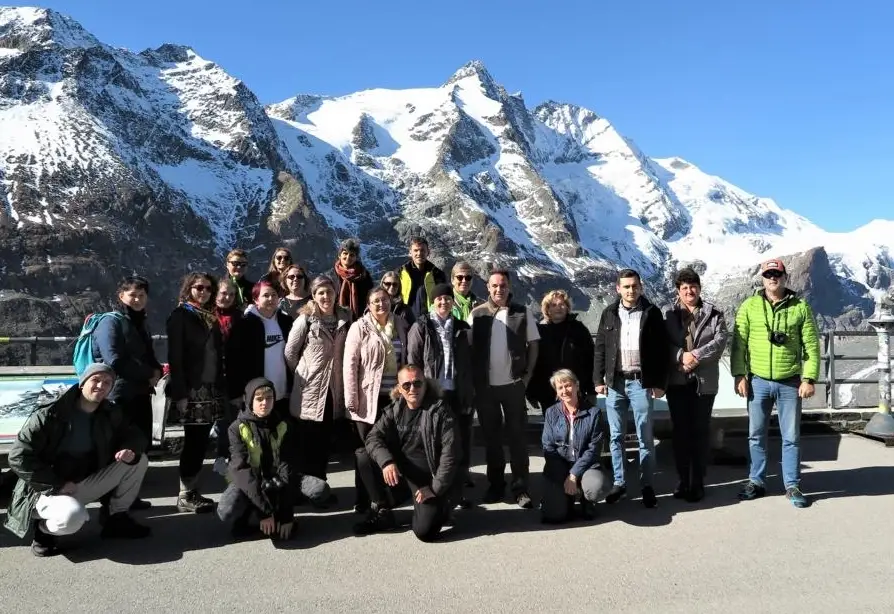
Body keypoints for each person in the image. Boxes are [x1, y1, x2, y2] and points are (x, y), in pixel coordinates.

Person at [4, 364, 150, 557]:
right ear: (82, 384)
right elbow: (18, 456)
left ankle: (117, 519)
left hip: (81, 482)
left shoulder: (110, 412)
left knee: (138, 460)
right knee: (72, 517)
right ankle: (43, 531)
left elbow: (135, 435)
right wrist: (57, 484)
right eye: (95, 380)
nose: (101, 385)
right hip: (44, 488)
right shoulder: (50, 413)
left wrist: (129, 448)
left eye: (107, 382)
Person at [731, 258, 820, 509]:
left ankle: (792, 485)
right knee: (755, 435)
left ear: (785, 278)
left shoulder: (801, 307)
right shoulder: (749, 306)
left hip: (790, 382)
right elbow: (738, 344)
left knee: (791, 437)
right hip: (757, 381)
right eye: (768, 274)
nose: (773, 278)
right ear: (762, 278)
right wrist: (740, 375)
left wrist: (809, 378)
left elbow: (812, 347)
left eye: (777, 274)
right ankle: (756, 482)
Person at [353, 366, 459, 541]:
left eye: (418, 383)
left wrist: (435, 488)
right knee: (363, 455)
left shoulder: (440, 411)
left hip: (428, 479)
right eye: (407, 385)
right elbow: (373, 437)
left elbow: (451, 455)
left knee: (425, 533)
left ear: (425, 385)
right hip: (401, 474)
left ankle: (443, 506)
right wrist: (386, 462)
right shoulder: (395, 409)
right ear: (399, 388)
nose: (412, 389)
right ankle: (383, 512)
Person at [217, 378, 330, 540]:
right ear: (250, 400)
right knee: (226, 510)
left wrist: (286, 515)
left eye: (269, 398)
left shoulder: (284, 425)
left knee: (319, 489)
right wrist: (264, 512)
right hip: (252, 481)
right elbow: (242, 472)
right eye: (259, 399)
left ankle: (278, 514)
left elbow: (288, 468)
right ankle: (250, 519)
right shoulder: (236, 428)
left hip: (278, 479)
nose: (264, 403)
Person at [594, 268, 669, 509]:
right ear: (618, 289)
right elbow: (601, 348)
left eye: (634, 286)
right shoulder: (608, 313)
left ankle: (647, 485)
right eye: (626, 286)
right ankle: (620, 483)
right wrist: (598, 379)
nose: (630, 290)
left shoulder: (652, 313)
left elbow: (662, 351)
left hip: (641, 383)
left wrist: (659, 383)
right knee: (616, 436)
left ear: (641, 287)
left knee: (645, 435)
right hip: (615, 382)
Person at [468, 269, 540, 508]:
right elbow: (467, 349)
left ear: (510, 287)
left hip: (513, 386)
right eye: (494, 286)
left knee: (517, 439)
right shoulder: (476, 314)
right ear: (488, 287)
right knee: (492, 439)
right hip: (486, 388)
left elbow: (534, 345)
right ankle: (496, 485)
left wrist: (526, 378)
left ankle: (521, 488)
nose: (499, 289)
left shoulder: (522, 312)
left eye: (503, 285)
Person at [91, 274, 162, 510]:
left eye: (142, 295)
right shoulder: (110, 322)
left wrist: (157, 370)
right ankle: (111, 501)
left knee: (137, 445)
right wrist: (148, 374)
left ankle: (127, 496)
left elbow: (146, 354)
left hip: (140, 394)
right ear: (121, 296)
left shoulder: (139, 322)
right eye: (133, 295)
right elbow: (114, 359)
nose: (137, 299)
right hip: (118, 397)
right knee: (118, 448)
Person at [662, 268, 728, 502]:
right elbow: (661, 342)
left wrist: (695, 356)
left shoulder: (713, 313)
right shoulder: (667, 313)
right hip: (677, 382)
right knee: (680, 433)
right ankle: (683, 480)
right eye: (684, 288)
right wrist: (680, 355)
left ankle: (698, 482)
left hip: (704, 383)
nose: (689, 291)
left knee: (700, 432)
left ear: (699, 288)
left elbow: (720, 341)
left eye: (693, 287)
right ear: (678, 290)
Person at [407, 283, 474, 508]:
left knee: (459, 443)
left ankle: (457, 490)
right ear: (432, 302)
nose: (443, 302)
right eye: (439, 299)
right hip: (433, 394)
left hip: (457, 392)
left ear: (452, 301)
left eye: (447, 298)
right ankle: (435, 490)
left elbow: (468, 364)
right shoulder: (421, 326)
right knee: (435, 444)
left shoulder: (461, 327)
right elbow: (413, 362)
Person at [165, 272, 228, 513]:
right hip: (193, 389)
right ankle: (185, 494)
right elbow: (175, 357)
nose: (204, 292)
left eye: (208, 289)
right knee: (193, 441)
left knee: (201, 441)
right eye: (198, 288)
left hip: (210, 387)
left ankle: (192, 491)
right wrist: (180, 393)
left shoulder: (209, 317)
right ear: (188, 289)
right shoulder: (180, 316)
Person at [344, 287, 410, 512]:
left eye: (384, 300)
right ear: (368, 305)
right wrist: (351, 398)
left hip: (394, 398)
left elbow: (407, 359)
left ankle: (385, 496)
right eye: (375, 301)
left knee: (388, 447)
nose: (381, 304)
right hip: (367, 399)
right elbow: (350, 365)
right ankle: (363, 499)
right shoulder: (359, 327)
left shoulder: (400, 324)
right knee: (365, 450)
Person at [285, 276, 352, 481]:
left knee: (325, 443)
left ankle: (319, 486)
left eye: (329, 292)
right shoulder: (304, 320)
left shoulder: (346, 319)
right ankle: (311, 489)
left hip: (335, 390)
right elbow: (290, 352)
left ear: (335, 294)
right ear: (313, 296)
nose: (325, 296)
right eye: (320, 292)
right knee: (310, 443)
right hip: (311, 391)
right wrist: (304, 374)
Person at [541, 369, 607, 524]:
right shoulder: (551, 413)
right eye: (560, 387)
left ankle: (587, 500)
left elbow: (594, 449)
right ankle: (566, 499)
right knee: (554, 516)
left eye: (568, 385)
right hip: (559, 465)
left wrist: (573, 475)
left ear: (577, 386)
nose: (565, 390)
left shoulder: (594, 413)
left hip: (586, 466)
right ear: (556, 391)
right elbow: (548, 446)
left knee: (597, 487)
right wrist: (565, 474)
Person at [227, 281, 293, 414]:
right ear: (256, 299)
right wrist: (235, 392)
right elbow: (233, 360)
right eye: (266, 295)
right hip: (256, 395)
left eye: (274, 295)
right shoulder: (244, 324)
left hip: (283, 392)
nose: (271, 299)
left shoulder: (286, 322)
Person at [527, 290, 595, 414]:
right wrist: (531, 392)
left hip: (574, 390)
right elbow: (533, 362)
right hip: (547, 392)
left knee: (576, 427)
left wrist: (591, 389)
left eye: (562, 304)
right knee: (554, 429)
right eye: (553, 305)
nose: (558, 307)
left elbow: (590, 358)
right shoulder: (539, 331)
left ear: (567, 307)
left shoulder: (578, 329)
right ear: (547, 309)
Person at [212, 277, 243, 476]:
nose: (227, 297)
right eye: (224, 293)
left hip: (235, 376)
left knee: (235, 420)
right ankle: (222, 458)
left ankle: (238, 459)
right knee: (221, 421)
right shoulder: (206, 316)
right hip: (213, 376)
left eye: (231, 294)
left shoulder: (240, 318)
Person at [398, 236, 447, 318]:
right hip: (405, 319)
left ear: (428, 252)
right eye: (416, 250)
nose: (419, 253)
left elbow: (443, 297)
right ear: (410, 252)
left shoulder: (437, 274)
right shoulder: (400, 273)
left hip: (430, 319)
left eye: (422, 250)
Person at [334, 238, 375, 321]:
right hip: (337, 318)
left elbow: (370, 297)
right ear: (339, 255)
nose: (348, 257)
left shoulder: (364, 275)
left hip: (360, 318)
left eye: (352, 255)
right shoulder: (332, 275)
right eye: (345, 253)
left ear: (356, 257)